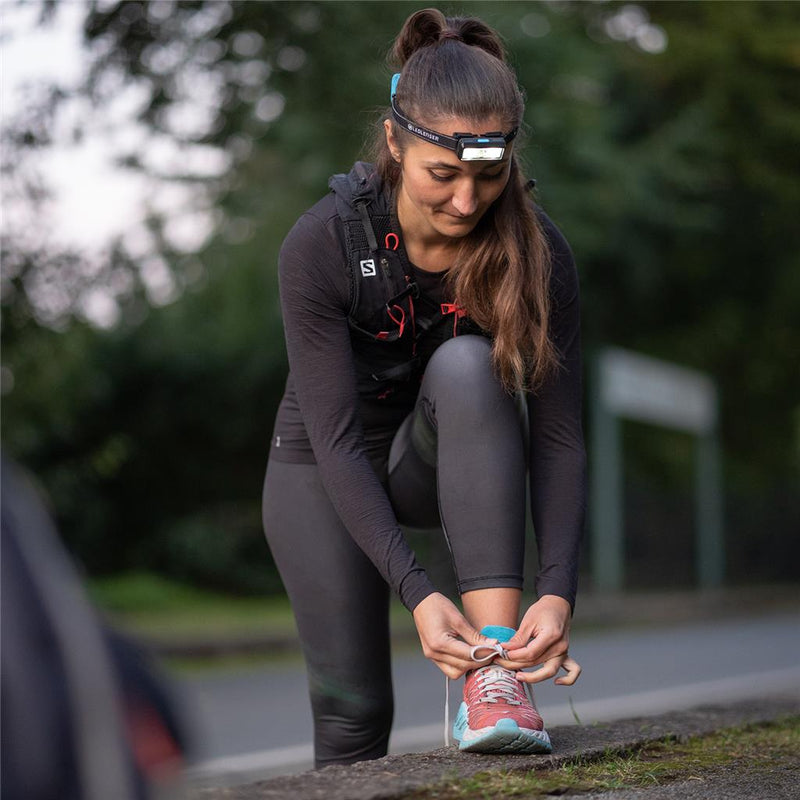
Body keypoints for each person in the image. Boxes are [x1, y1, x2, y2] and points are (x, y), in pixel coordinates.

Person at [262, 7, 585, 768]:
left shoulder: (539, 255)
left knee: (469, 365)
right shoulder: (321, 244)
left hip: (435, 455)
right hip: (324, 466)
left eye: (488, 175)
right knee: (354, 721)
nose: (467, 202)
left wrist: (558, 588)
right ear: (395, 143)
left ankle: (498, 673)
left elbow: (560, 436)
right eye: (444, 174)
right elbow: (337, 441)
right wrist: (419, 593)